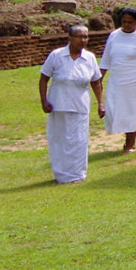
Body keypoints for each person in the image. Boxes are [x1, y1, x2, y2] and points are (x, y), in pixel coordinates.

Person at [39, 24, 105, 184]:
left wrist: (100, 103)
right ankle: (61, 175)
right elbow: (43, 79)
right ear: (70, 38)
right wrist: (44, 100)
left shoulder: (89, 58)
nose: (83, 40)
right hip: (59, 105)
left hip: (80, 106)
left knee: (78, 140)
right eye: (80, 37)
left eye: (86, 37)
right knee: (60, 139)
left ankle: (77, 174)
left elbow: (96, 82)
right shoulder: (56, 55)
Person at [101, 6, 136, 151]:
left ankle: (130, 143)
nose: (126, 25)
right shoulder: (114, 35)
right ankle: (124, 136)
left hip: (135, 80)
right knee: (113, 108)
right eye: (124, 22)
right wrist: (99, 78)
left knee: (131, 111)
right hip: (116, 79)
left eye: (130, 22)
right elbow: (106, 59)